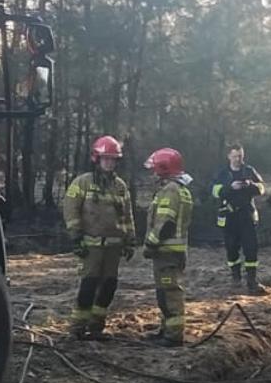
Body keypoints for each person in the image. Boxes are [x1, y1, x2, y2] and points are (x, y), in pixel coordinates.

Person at [63, 136, 135, 339]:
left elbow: (127, 215)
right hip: (91, 246)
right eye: (106, 159)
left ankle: (96, 326)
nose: (109, 163)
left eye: (113, 159)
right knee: (88, 285)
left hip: (113, 247)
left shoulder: (120, 186)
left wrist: (130, 240)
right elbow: (71, 209)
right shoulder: (82, 183)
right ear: (97, 158)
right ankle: (78, 327)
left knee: (109, 286)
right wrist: (76, 238)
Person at [142, 147, 195, 346]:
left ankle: (173, 335)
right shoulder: (179, 189)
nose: (152, 173)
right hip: (172, 253)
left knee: (170, 293)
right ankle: (166, 329)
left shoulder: (170, 190)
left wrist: (150, 244)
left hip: (166, 253)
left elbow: (165, 222)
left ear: (163, 169)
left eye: (154, 169)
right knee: (164, 291)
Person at [209, 144, 267, 294]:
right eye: (235, 156)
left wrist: (250, 184)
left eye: (240, 156)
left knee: (251, 248)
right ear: (229, 156)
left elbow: (262, 188)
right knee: (231, 248)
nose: (238, 159)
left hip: (246, 215)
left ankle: (252, 280)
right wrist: (229, 187)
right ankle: (236, 277)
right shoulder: (222, 173)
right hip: (229, 217)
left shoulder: (248, 170)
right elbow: (213, 191)